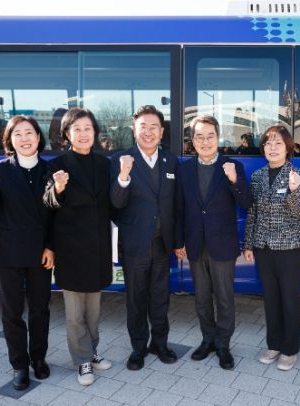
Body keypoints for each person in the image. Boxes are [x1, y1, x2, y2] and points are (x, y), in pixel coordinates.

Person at [0, 115, 54, 391]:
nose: (24, 139)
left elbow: (57, 216)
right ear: (10, 140)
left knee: (40, 310)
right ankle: (19, 365)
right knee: (12, 313)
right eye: (17, 134)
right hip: (7, 253)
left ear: (38, 137)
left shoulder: (50, 170)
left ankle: (39, 358)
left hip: (40, 253)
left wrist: (51, 246)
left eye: (29, 133)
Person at [174, 115, 252, 370]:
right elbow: (179, 208)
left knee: (224, 298)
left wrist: (234, 180)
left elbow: (246, 203)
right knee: (201, 298)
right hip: (195, 243)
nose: (205, 141)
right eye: (199, 136)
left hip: (222, 243)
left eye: (210, 136)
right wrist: (178, 241)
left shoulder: (232, 166)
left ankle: (223, 345)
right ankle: (207, 339)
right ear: (192, 140)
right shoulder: (184, 169)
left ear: (218, 138)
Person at [43, 108, 113, 386]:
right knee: (75, 314)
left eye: (88, 129)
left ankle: (92, 351)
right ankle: (81, 360)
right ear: (67, 134)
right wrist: (58, 188)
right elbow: (48, 205)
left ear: (95, 133)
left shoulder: (104, 164)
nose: (83, 134)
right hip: (71, 249)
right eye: (77, 129)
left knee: (93, 312)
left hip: (98, 247)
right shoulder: (57, 165)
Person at [111, 105, 179, 371]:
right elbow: (115, 203)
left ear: (161, 132)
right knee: (136, 300)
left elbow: (176, 205)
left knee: (161, 298)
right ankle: (138, 348)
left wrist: (178, 241)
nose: (148, 132)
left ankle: (159, 344)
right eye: (143, 127)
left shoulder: (171, 161)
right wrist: (123, 176)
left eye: (154, 127)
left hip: (162, 244)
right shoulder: (120, 159)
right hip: (134, 244)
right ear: (134, 130)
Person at [243, 125, 300, 372]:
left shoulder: (298, 174)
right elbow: (252, 212)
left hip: (290, 247)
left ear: (288, 147)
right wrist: (248, 243)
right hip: (263, 246)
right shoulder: (257, 176)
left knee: (289, 300)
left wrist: (293, 191)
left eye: (278, 143)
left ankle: (290, 349)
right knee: (271, 299)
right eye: (268, 143)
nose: (272, 148)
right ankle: (274, 345)